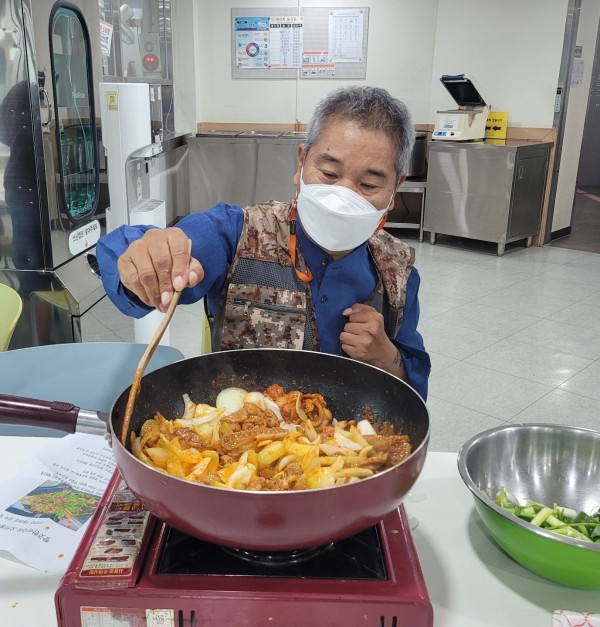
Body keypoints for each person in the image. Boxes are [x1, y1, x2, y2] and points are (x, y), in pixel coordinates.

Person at [96, 86, 431, 399]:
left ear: (395, 186)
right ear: (301, 162)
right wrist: (145, 259)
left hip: (348, 447)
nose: (342, 197)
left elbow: (411, 386)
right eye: (329, 174)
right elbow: (141, 249)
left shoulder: (396, 271)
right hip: (243, 443)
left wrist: (386, 356)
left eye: (369, 184)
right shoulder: (240, 232)